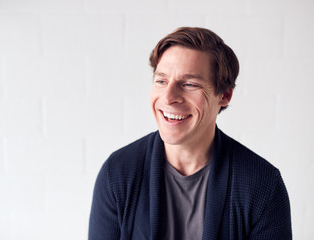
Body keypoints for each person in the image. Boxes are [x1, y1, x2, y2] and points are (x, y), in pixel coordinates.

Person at [89, 27, 292, 240]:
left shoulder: (263, 185)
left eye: (189, 84)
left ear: (224, 95)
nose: (168, 97)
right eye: (161, 81)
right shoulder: (118, 173)